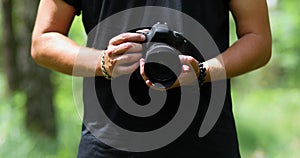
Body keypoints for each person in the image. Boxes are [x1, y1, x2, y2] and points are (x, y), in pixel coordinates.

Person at [31, 0, 272, 157]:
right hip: (108, 146)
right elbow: (43, 39)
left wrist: (201, 71)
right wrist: (103, 62)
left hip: (204, 143)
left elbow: (258, 40)